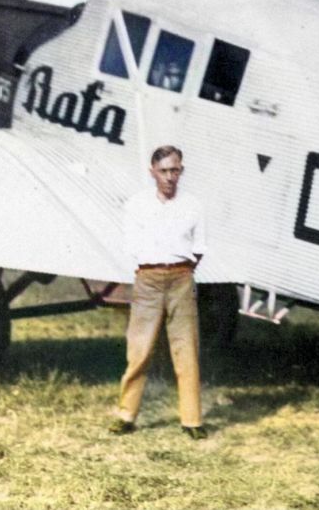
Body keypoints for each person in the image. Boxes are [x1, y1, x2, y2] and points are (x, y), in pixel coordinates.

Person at [109, 145, 208, 440]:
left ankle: (192, 420)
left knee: (186, 348)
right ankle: (126, 415)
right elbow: (131, 245)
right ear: (152, 172)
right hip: (148, 280)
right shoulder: (136, 205)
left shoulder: (193, 205)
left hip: (181, 278)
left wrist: (182, 269)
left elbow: (199, 246)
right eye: (163, 171)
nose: (169, 177)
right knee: (139, 350)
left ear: (182, 171)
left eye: (174, 170)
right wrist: (151, 267)